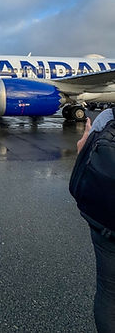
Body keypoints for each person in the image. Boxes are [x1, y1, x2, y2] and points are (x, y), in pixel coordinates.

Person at [76, 113, 115, 332]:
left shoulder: (107, 117)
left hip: (108, 224)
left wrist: (82, 148)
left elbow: (87, 167)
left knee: (109, 295)